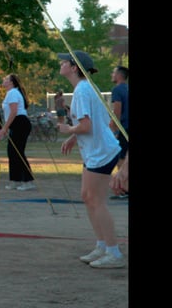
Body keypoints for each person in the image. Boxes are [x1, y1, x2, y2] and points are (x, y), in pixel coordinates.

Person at [57, 50, 125, 269]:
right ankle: (102, 245)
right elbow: (94, 123)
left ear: (74, 68)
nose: (60, 64)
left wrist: (69, 130)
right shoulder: (85, 88)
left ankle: (113, 252)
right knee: (87, 197)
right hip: (96, 151)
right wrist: (73, 138)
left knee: (96, 200)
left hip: (102, 152)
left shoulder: (82, 90)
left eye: (64, 62)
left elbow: (86, 126)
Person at [0, 73, 35, 191]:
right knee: (12, 152)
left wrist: (5, 128)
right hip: (16, 123)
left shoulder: (13, 92)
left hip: (20, 123)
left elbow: (14, 112)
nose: (4, 80)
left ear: (11, 82)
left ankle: (28, 181)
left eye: (6, 79)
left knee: (18, 152)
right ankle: (15, 180)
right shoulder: (11, 93)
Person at [109, 65, 129, 199]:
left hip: (124, 127)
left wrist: (113, 127)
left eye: (113, 72)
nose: (112, 74)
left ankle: (123, 188)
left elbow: (117, 111)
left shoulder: (117, 90)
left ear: (119, 75)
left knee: (121, 158)